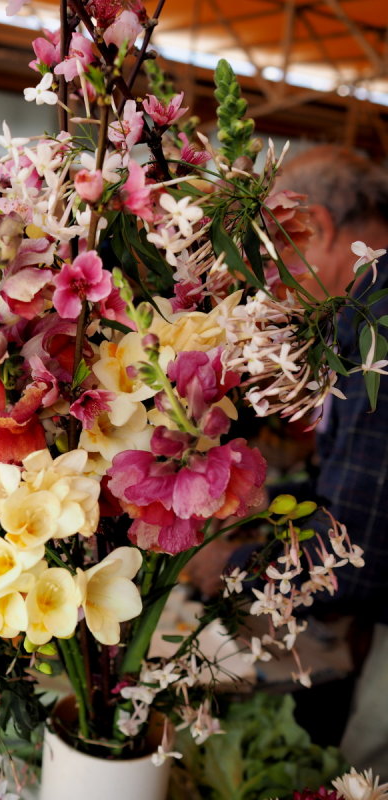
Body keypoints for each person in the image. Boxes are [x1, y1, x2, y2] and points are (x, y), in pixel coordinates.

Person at [186, 145, 388, 776]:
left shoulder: (375, 318)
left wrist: (232, 565)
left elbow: (360, 551)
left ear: (318, 228)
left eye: (274, 267)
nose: (277, 291)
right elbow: (358, 480)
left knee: (362, 773)